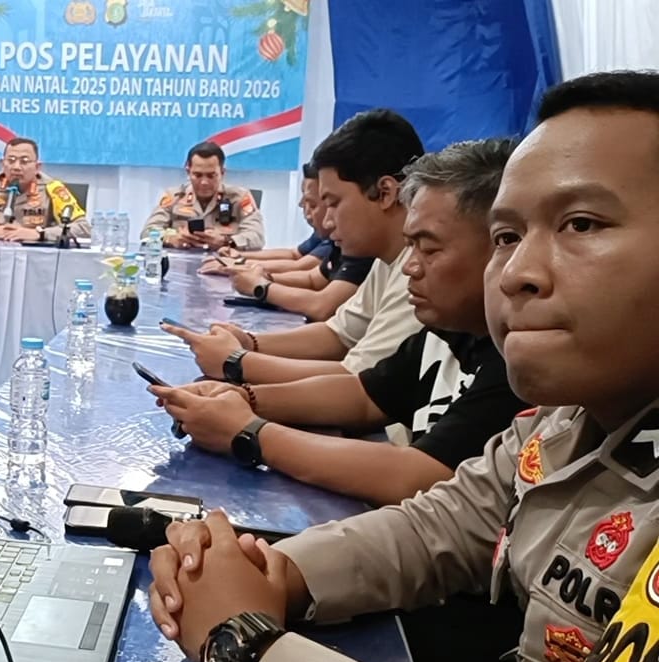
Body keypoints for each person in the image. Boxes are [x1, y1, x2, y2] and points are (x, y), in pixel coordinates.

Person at [148, 70, 659, 662]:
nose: (517, 273)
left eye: (581, 224)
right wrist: (277, 573)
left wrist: (249, 657)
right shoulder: (567, 418)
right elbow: (445, 522)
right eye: (507, 237)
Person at [154, 138, 527, 506]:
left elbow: (418, 475)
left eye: (429, 248)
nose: (411, 266)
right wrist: (243, 398)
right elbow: (364, 394)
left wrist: (247, 427)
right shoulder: (448, 328)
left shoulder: (516, 365)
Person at [163, 109, 425, 384]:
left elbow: (359, 383)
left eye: (333, 203)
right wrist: (247, 342)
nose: (326, 220)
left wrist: (238, 364)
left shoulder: (416, 272)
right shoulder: (387, 260)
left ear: (385, 193)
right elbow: (337, 335)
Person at [199, 163, 374, 322]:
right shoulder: (340, 239)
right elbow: (311, 276)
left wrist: (258, 283)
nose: (302, 206)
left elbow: (321, 305)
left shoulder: (363, 247)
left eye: (332, 203)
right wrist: (257, 274)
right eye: (197, 174)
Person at [0, 137, 89, 243]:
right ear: (2, 164)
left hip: (36, 258)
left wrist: (40, 234)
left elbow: (83, 228)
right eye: (11, 160)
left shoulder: (52, 189)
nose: (16, 167)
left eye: (24, 161)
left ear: (37, 167)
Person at [140, 142, 265, 250]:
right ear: (188, 172)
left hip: (224, 263)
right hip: (180, 262)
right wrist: (171, 239)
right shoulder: (174, 196)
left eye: (211, 176)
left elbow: (257, 237)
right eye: (198, 175)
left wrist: (226, 242)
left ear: (222, 173)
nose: (204, 182)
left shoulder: (239, 197)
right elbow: (147, 232)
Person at [216, 163, 331, 275]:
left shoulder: (240, 196)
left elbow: (301, 268)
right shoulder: (322, 233)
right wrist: (238, 256)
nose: (301, 204)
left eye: (311, 203)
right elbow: (294, 254)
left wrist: (234, 261)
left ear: (222, 173)